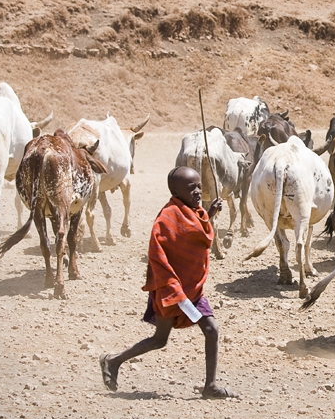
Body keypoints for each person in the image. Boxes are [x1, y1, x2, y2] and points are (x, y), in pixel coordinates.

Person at [100, 166, 234, 398]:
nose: (198, 192)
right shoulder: (166, 217)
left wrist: (209, 215)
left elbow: (194, 233)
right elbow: (158, 256)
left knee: (211, 329)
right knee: (159, 340)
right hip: (171, 290)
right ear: (175, 191)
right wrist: (172, 288)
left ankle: (210, 386)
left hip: (193, 290)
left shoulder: (193, 211)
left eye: (199, 186)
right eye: (191, 188)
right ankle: (113, 361)